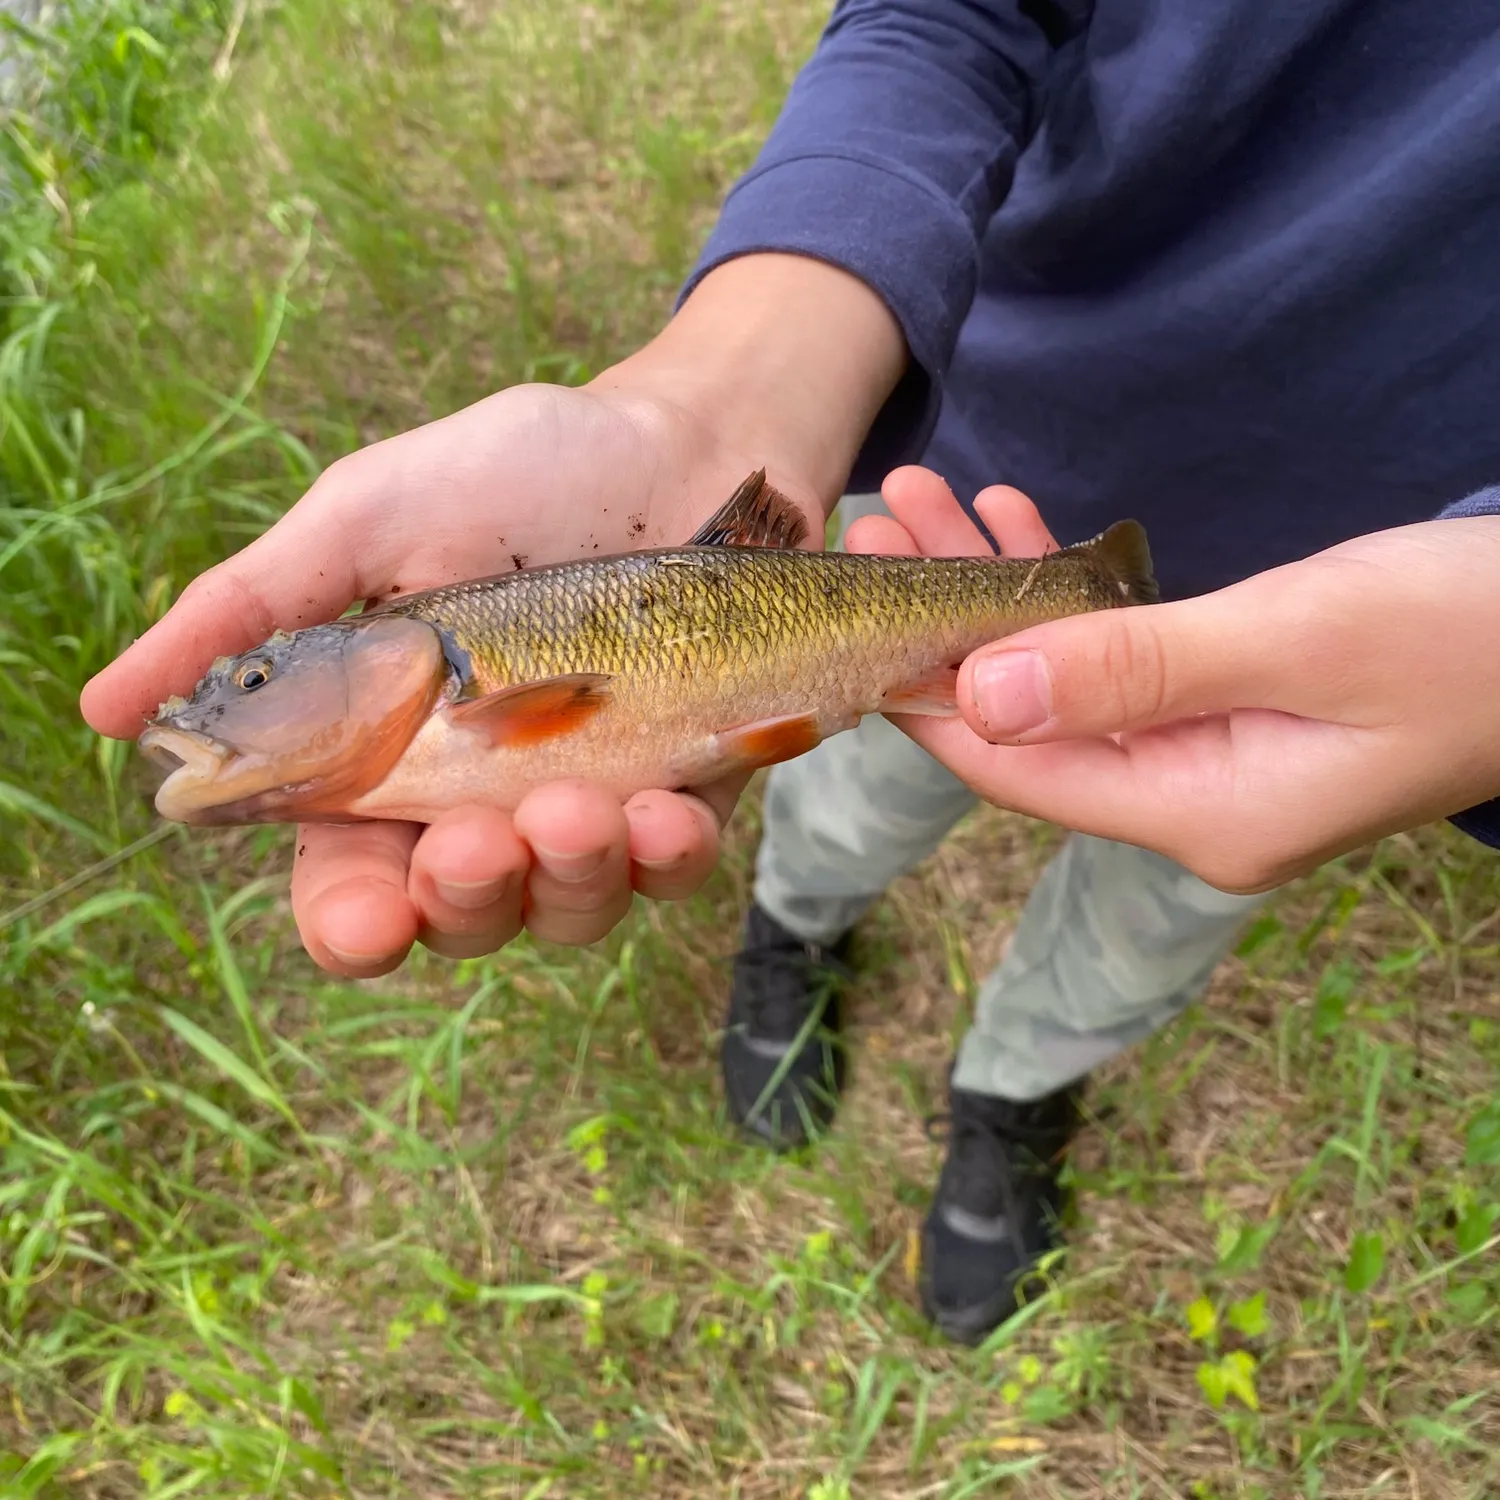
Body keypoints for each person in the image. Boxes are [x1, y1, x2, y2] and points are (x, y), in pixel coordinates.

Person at [81, 0, 1500, 1346]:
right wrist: (713, 392)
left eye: (251, 681)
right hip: (970, 458)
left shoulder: (455, 693)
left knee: (1168, 890)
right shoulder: (426, 706)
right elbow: (944, 17)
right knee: (840, 781)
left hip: (1404, 610)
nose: (223, 709)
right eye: (244, 696)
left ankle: (1017, 1084)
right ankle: (797, 931)